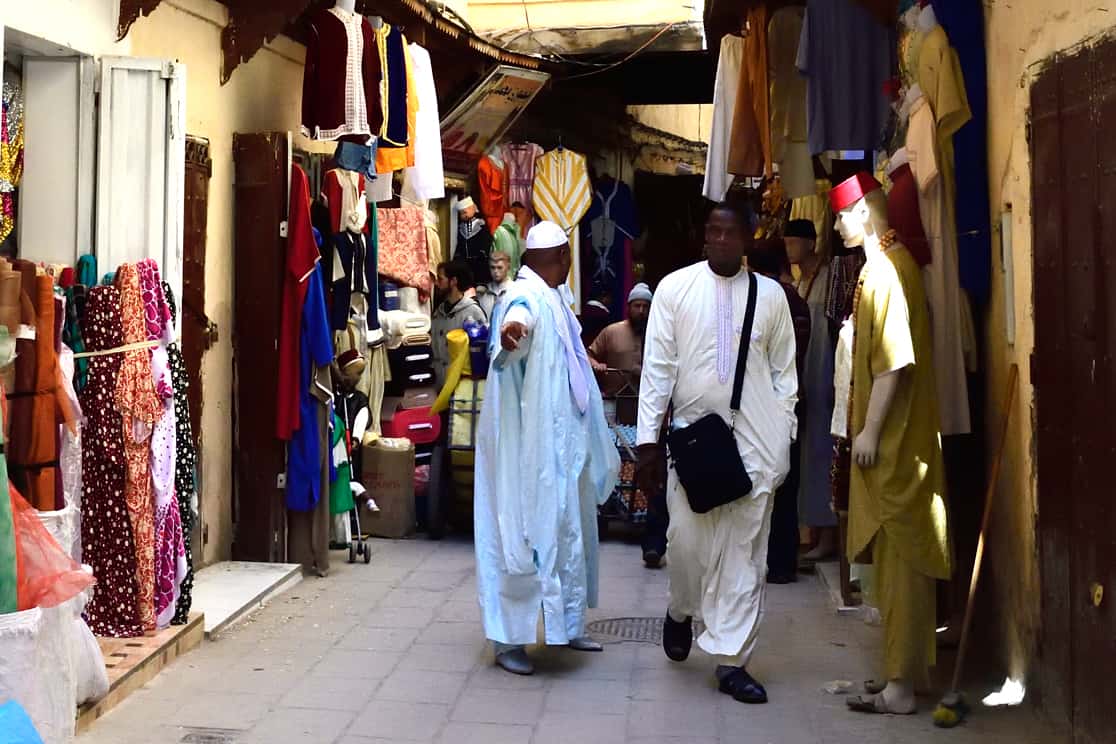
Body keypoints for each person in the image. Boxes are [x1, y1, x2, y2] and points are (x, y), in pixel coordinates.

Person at [637, 201, 798, 705]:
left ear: (748, 238)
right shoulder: (675, 289)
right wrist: (646, 442)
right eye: (713, 232)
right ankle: (681, 608)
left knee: (746, 554)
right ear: (704, 237)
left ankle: (732, 661)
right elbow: (658, 368)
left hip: (756, 444)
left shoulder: (771, 298)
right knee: (685, 543)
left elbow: (784, 375)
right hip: (694, 445)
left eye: (730, 233)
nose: (721, 241)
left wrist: (782, 431)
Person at [474, 221, 620, 676]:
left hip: (563, 445)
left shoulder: (556, 297)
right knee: (519, 534)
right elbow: (518, 325)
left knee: (569, 534)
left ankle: (569, 625)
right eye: (568, 257)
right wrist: (513, 332)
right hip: (527, 449)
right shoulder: (523, 297)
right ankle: (507, 640)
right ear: (559, 257)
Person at [829, 173, 950, 716]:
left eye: (840, 215)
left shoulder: (887, 272)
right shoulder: (886, 266)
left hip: (899, 446)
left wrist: (871, 431)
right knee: (899, 565)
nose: (835, 226)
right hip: (900, 440)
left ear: (864, 213)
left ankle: (901, 687)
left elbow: (895, 363)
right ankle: (908, 673)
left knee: (902, 566)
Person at [586, 283, 667, 568]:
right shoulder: (612, 332)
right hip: (615, 412)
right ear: (629, 307)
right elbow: (588, 353)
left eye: (646, 306)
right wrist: (596, 365)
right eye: (637, 306)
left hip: (647, 415)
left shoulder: (660, 334)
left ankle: (644, 519)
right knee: (612, 461)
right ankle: (608, 511)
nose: (642, 311)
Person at [747, 238, 811, 584]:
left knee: (763, 483)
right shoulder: (794, 299)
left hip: (764, 402)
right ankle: (783, 560)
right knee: (786, 482)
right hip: (792, 399)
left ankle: (767, 558)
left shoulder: (763, 299)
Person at [784, 218, 838, 562]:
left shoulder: (829, 276)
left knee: (824, 451)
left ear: (809, 243)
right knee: (810, 453)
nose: (789, 249)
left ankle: (830, 535)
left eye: (793, 243)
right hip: (808, 378)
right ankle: (815, 531)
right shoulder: (802, 281)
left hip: (825, 374)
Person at [432, 260, 487, 389]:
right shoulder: (438, 313)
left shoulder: (473, 312)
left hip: (462, 389)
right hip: (439, 385)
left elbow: (481, 353)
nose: (436, 283)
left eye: (440, 279)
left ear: (453, 281)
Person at [455, 196, 492, 287]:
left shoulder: (482, 226)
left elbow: (487, 243)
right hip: (466, 266)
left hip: (480, 265)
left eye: (465, 212)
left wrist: (482, 253)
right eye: (461, 213)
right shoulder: (460, 228)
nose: (464, 215)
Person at [477, 252, 513, 320]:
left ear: (508, 267)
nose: (496, 271)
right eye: (492, 268)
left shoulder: (516, 290)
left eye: (500, 268)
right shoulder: (482, 293)